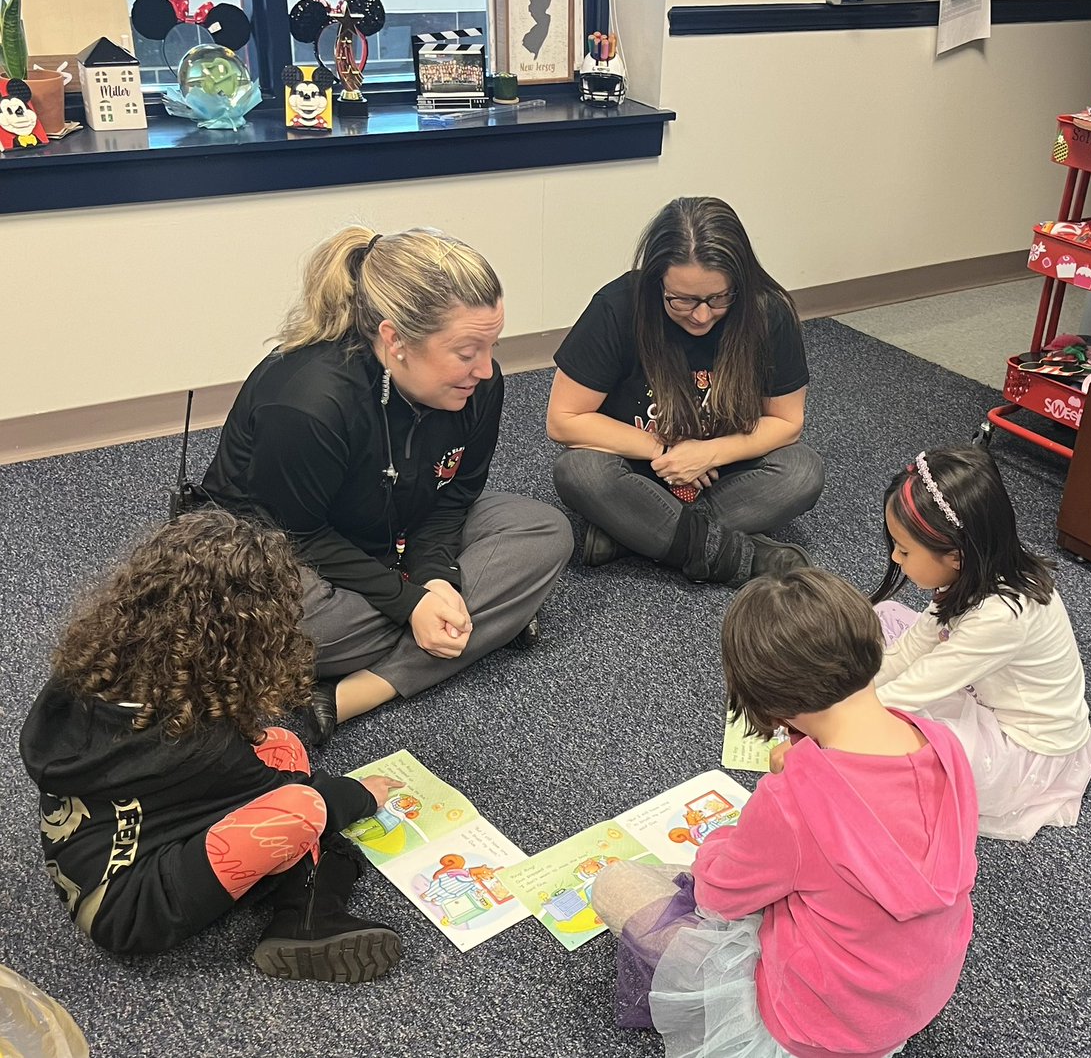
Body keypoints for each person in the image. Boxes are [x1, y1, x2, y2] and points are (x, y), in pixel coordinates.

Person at [202, 226, 573, 744]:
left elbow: (453, 499)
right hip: (277, 550)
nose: (486, 370)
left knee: (544, 531)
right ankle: (485, 623)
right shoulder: (308, 402)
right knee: (300, 629)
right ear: (395, 340)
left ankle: (359, 690)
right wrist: (408, 602)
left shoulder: (478, 386)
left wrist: (435, 580)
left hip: (395, 525)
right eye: (466, 351)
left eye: (492, 346)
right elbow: (298, 535)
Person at [591, 568, 978, 1058]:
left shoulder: (792, 801)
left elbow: (718, 895)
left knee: (615, 884)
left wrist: (737, 828)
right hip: (908, 1005)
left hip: (811, 1029)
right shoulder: (944, 744)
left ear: (770, 702)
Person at [19, 511, 404, 982]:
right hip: (131, 912)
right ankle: (309, 909)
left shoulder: (95, 671)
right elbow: (289, 794)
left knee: (280, 744)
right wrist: (361, 795)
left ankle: (304, 904)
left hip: (99, 852)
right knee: (305, 810)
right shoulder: (199, 745)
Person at [548, 196, 824, 586]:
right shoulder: (617, 307)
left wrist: (709, 453)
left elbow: (787, 422)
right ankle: (740, 558)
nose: (701, 315)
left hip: (724, 469)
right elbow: (563, 420)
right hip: (639, 469)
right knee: (581, 472)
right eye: (682, 300)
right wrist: (664, 451)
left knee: (802, 472)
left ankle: (633, 535)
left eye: (719, 298)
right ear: (656, 281)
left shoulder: (767, 311)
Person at [871, 445, 1091, 843]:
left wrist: (830, 718)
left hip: (1026, 750)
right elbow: (911, 649)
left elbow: (912, 688)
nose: (895, 557)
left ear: (956, 555)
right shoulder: (979, 567)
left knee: (897, 746)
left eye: (904, 550)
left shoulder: (1001, 616)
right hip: (988, 699)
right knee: (883, 622)